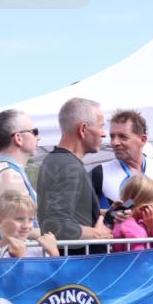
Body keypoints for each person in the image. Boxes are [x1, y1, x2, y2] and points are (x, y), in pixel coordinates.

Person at [36, 98, 113, 252]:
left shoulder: (57, 161)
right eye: (101, 126)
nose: (104, 134)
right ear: (83, 129)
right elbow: (56, 225)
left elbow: (70, 214)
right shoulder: (68, 166)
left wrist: (107, 214)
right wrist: (97, 233)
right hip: (80, 262)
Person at [91, 109, 153, 213]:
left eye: (123, 137)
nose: (115, 142)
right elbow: (85, 215)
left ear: (143, 140)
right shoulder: (99, 173)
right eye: (112, 136)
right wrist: (112, 214)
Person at [0, 109, 41, 243]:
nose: (38, 137)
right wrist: (58, 233)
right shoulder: (8, 175)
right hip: (20, 255)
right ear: (18, 138)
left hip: (13, 253)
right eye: (34, 131)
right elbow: (16, 229)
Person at [0, 191, 59, 259]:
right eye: (19, 219)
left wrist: (54, 253)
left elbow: (58, 270)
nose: (26, 226)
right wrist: (18, 259)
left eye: (30, 219)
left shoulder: (40, 248)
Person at [111, 175, 153, 252]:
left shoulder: (137, 223)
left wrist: (150, 228)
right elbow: (141, 257)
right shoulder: (133, 230)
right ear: (141, 208)